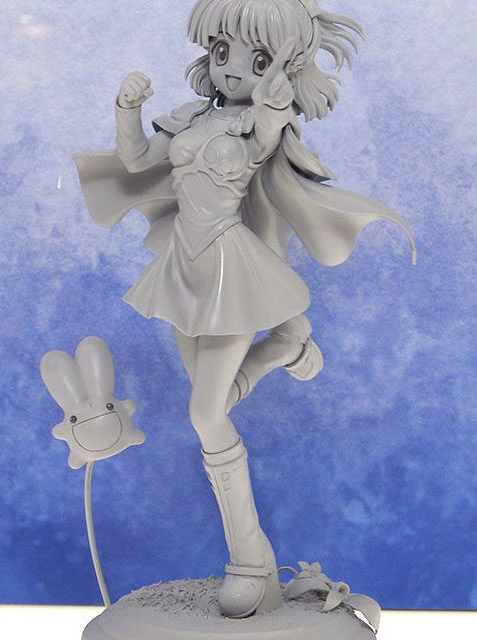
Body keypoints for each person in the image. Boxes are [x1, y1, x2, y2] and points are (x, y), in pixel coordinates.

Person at [75, 0, 416, 619]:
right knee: (215, 404)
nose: (233, 68)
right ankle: (285, 347)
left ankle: (251, 559)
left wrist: (275, 97)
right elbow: (137, 160)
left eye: (256, 60)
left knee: (205, 413)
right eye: (223, 51)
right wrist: (127, 110)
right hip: (181, 268)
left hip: (230, 268)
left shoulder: (255, 125)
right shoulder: (190, 118)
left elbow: (267, 133)